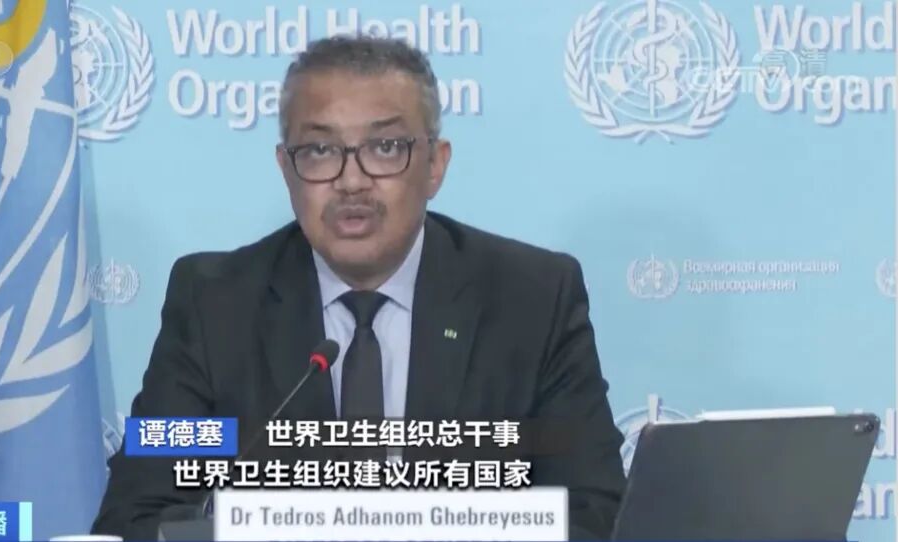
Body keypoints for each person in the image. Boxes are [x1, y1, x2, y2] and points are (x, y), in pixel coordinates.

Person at [92, 35, 626, 540]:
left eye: (386, 147)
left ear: (435, 165)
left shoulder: (532, 300)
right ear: (286, 169)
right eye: (319, 151)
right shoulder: (215, 306)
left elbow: (594, 515)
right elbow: (136, 514)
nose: (351, 181)